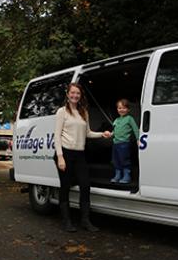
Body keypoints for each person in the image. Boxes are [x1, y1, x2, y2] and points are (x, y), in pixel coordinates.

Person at [54, 82, 110, 232]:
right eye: (72, 93)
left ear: (80, 95)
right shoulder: (62, 112)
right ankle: (66, 221)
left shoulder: (84, 112)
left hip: (80, 154)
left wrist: (102, 134)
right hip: (65, 153)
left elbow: (88, 133)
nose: (75, 95)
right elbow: (57, 137)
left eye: (77, 93)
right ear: (67, 94)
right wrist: (60, 157)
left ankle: (85, 221)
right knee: (65, 186)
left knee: (85, 186)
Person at [108, 99, 139, 184]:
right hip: (115, 144)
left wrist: (138, 139)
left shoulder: (129, 119)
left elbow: (135, 129)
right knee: (116, 160)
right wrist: (111, 134)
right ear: (117, 109)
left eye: (124, 108)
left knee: (124, 159)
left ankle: (127, 175)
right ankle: (118, 175)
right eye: (119, 108)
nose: (121, 110)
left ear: (128, 109)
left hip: (124, 143)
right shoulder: (117, 120)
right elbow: (115, 131)